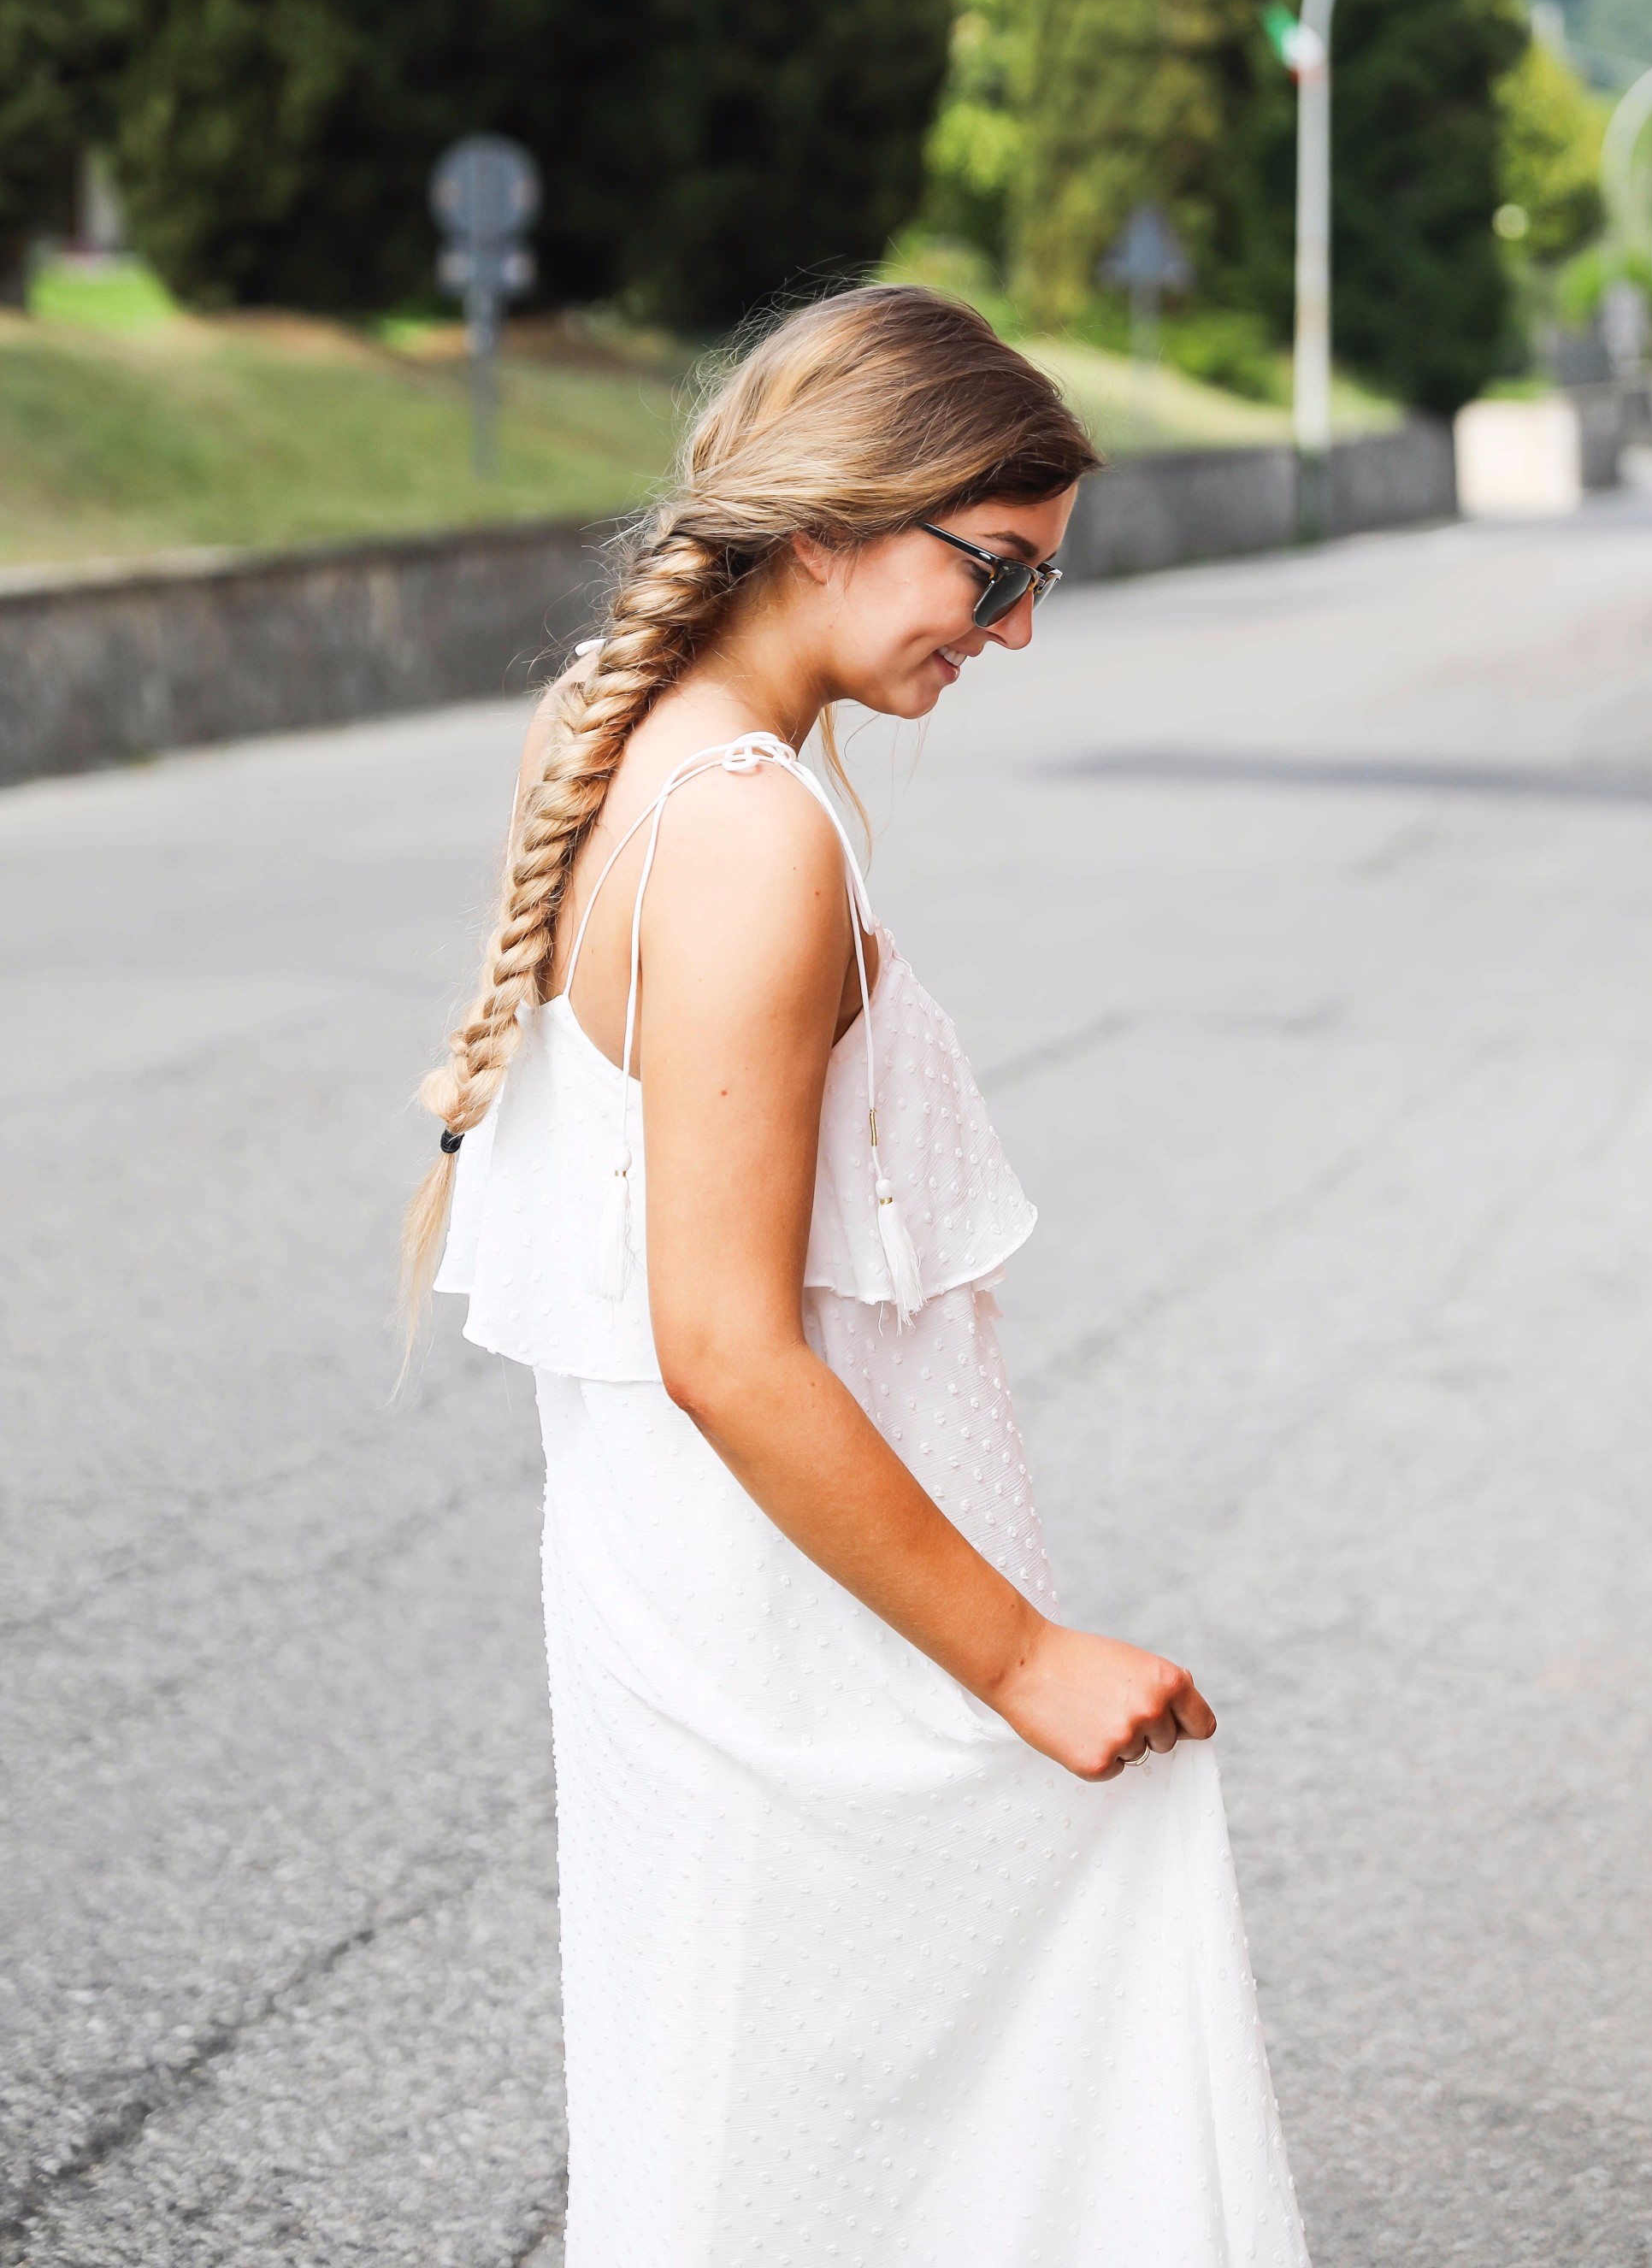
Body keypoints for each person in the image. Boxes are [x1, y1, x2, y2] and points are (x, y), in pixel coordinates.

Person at [404, 286, 1310, 2266]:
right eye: (989, 574)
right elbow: (722, 1341)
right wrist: (1019, 1658)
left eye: (1036, 586)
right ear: (826, 522)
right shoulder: (749, 838)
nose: (1013, 633)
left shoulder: (628, 732)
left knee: (786, 2113)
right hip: (792, 1616)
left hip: (719, 1575)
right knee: (876, 2136)